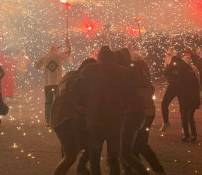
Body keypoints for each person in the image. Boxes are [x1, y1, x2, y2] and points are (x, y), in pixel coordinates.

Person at [78, 46, 131, 175]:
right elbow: (128, 94)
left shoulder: (89, 70)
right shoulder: (122, 71)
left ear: (99, 57)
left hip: (94, 119)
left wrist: (82, 107)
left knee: (94, 157)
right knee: (113, 158)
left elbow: (80, 91)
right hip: (115, 119)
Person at [51, 58, 96, 175]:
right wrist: (76, 106)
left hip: (68, 119)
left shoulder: (74, 76)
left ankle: (80, 165)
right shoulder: (74, 78)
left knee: (87, 144)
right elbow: (64, 93)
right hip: (64, 120)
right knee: (70, 157)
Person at [114, 49, 150, 175]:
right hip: (136, 112)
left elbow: (123, 94)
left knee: (125, 153)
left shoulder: (124, 74)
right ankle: (129, 171)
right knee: (127, 150)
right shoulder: (132, 71)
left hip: (132, 113)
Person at [129, 58, 165, 173]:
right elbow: (151, 91)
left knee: (140, 143)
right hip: (148, 113)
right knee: (136, 143)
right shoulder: (144, 77)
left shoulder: (137, 79)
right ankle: (136, 167)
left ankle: (156, 168)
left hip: (142, 114)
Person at [34, 39, 71, 126]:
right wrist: (68, 45)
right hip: (58, 83)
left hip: (47, 83)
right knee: (58, 103)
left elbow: (36, 66)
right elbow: (67, 54)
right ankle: (58, 120)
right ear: (56, 50)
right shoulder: (59, 55)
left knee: (48, 102)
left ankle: (49, 121)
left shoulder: (45, 57)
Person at [172, 56, 200, 142]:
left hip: (191, 98)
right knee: (184, 116)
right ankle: (186, 134)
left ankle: (193, 134)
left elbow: (196, 87)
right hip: (185, 98)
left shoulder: (190, 75)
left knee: (189, 116)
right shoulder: (181, 76)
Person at [159, 48, 179, 132]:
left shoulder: (176, 63)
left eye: (169, 55)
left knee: (183, 107)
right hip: (172, 85)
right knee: (164, 104)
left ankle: (185, 128)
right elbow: (165, 72)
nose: (167, 56)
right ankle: (166, 122)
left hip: (177, 86)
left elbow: (167, 72)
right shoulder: (168, 63)